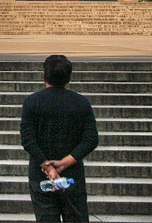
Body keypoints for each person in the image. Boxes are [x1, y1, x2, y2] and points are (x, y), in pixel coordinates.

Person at [21, 55, 99, 222]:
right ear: (68, 78)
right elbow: (91, 139)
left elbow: (28, 140)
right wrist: (64, 163)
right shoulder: (81, 102)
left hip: (41, 174)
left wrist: (47, 166)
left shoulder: (32, 102)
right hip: (72, 173)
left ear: (44, 76)